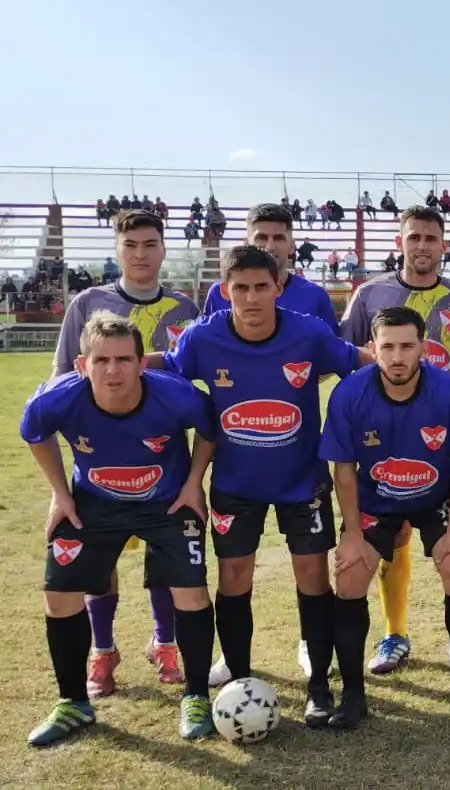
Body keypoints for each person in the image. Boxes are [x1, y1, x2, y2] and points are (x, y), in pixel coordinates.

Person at [162, 246, 368, 725]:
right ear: (224, 290)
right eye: (241, 288)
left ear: (278, 287)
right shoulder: (203, 337)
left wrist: (412, 368)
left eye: (261, 287)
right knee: (234, 578)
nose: (251, 297)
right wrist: (111, 363)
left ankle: (319, 686)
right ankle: (240, 680)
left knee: (313, 577)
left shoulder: (308, 332)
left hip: (302, 481)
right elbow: (166, 371)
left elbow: (359, 362)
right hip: (235, 483)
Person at [22, 312, 218, 745]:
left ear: (142, 363)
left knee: (192, 593)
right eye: (102, 360)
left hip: (166, 502)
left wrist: (193, 483)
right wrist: (60, 492)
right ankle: (73, 703)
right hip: (93, 503)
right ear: (82, 364)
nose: (113, 370)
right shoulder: (55, 399)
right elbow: (35, 433)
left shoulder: (176, 395)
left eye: (124, 359)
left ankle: (196, 695)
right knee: (59, 596)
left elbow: (209, 429)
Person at [339, 206, 450, 675]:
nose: (422, 245)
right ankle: (395, 634)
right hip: (383, 444)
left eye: (431, 238)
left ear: (443, 244)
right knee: (391, 544)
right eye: (414, 237)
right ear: (400, 242)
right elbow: (342, 355)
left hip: (441, 447)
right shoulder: (369, 294)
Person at [51, 209, 202, 697]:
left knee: (166, 555)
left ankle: (165, 641)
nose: (140, 254)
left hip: (164, 461)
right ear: (117, 250)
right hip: (102, 461)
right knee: (100, 559)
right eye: (130, 245)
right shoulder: (88, 303)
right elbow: (62, 382)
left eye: (150, 244)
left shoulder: (183, 309)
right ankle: (103, 649)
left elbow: (190, 383)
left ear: (163, 249)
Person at [319, 307, 450, 725]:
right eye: (387, 346)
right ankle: (352, 697)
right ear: (372, 349)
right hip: (376, 500)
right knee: (350, 575)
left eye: (407, 346)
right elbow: (343, 469)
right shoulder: (349, 393)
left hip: (435, 498)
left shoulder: (449, 392)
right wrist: (352, 533)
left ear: (423, 349)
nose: (397, 357)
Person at [203, 203, 338, 334]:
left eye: (279, 238)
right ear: (246, 244)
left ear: (292, 246)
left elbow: (331, 347)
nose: (270, 247)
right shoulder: (220, 292)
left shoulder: (315, 295)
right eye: (261, 238)